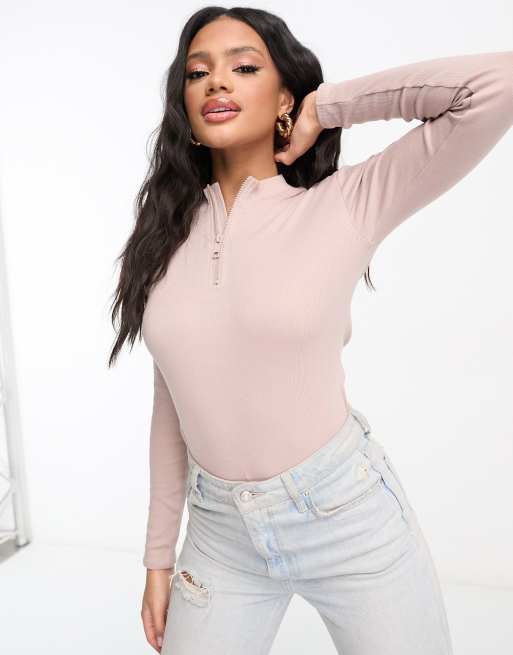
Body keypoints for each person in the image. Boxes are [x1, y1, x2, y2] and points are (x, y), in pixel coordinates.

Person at [107, 6, 513, 655]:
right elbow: (172, 400)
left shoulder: (346, 204)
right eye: (198, 72)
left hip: (345, 517)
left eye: (244, 67)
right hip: (219, 535)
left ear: (283, 99)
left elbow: (496, 85)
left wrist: (329, 106)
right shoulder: (162, 239)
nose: (217, 82)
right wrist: (159, 557)